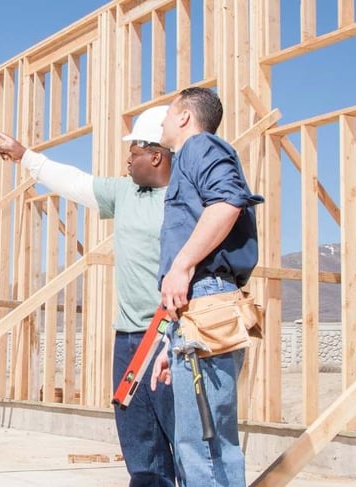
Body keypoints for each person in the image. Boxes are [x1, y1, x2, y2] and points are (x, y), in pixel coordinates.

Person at [0, 106, 180, 487]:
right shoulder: (126, 194)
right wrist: (26, 156)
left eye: (134, 152)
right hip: (130, 339)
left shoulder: (186, 201)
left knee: (185, 438)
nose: (128, 159)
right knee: (141, 445)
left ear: (156, 155)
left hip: (171, 338)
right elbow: (76, 182)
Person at [151, 87, 264, 487]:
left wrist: (181, 264)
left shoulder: (200, 146)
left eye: (167, 113)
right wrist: (170, 341)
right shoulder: (188, 160)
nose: (162, 122)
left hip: (206, 298)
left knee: (203, 441)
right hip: (195, 310)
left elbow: (228, 202)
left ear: (183, 116)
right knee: (200, 436)